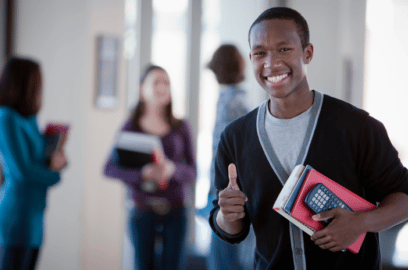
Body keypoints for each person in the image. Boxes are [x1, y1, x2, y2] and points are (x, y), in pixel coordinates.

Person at [209, 7, 408, 270]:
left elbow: (404, 195)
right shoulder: (235, 137)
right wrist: (227, 215)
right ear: (251, 59)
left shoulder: (357, 127)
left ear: (307, 53)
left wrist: (362, 223)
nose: (271, 63)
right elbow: (232, 229)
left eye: (284, 49)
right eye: (260, 53)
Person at [104, 65, 196, 270]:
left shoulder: (181, 127)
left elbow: (192, 172)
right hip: (141, 212)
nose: (162, 87)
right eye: (156, 82)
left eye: (166, 83)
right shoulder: (131, 126)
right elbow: (109, 168)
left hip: (176, 211)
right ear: (141, 89)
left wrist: (173, 170)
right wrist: (141, 174)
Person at [0, 57, 67, 270]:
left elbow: (39, 159)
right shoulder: (6, 118)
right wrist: (54, 174)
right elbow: (23, 172)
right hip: (17, 215)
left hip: (36, 213)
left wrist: (56, 154)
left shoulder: (30, 118)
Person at [204, 44, 255, 270]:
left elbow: (224, 155)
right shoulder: (236, 101)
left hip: (226, 194)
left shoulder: (230, 102)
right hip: (226, 194)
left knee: (224, 259)